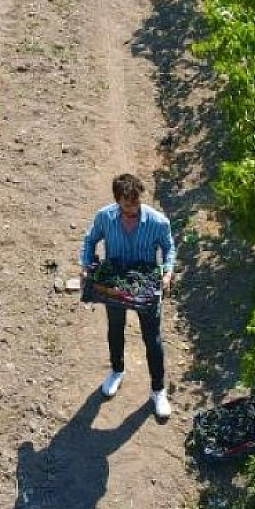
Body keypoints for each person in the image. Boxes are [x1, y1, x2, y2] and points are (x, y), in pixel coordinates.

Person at [80, 173, 177, 419]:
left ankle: (158, 390)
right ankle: (116, 370)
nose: (132, 209)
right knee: (115, 328)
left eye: (135, 204)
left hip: (146, 283)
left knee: (152, 338)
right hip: (116, 282)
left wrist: (166, 274)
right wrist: (86, 264)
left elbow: (168, 249)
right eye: (126, 205)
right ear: (117, 201)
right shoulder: (105, 217)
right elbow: (90, 240)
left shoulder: (158, 222)